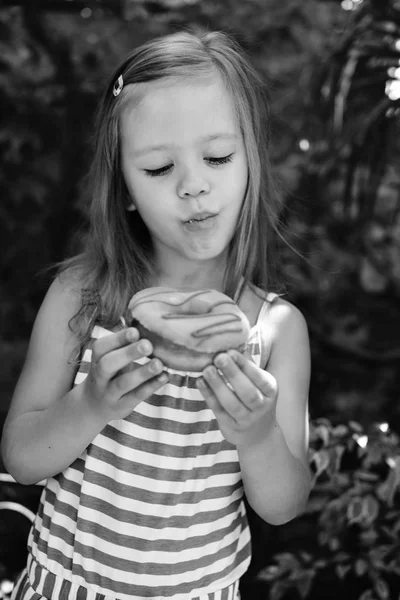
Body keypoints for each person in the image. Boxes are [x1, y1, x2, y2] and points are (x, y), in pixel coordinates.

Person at [2, 28, 312, 600]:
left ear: (251, 164)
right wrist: (90, 403)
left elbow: (285, 505)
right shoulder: (83, 296)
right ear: (122, 186)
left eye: (218, 156)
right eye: (158, 169)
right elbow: (21, 460)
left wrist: (258, 433)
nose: (194, 185)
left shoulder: (274, 330)